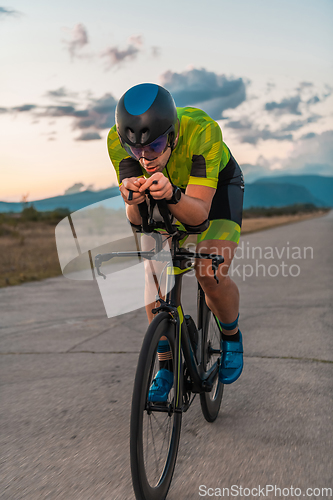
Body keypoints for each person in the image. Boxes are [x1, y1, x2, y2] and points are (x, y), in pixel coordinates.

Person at [107, 83, 244, 401]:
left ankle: (231, 334)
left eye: (154, 146)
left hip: (217, 191)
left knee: (209, 270)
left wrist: (171, 193)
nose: (144, 157)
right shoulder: (118, 142)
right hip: (165, 190)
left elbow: (198, 218)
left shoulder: (202, 131)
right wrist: (130, 200)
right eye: (135, 149)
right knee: (155, 273)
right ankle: (165, 365)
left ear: (173, 136)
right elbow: (139, 222)